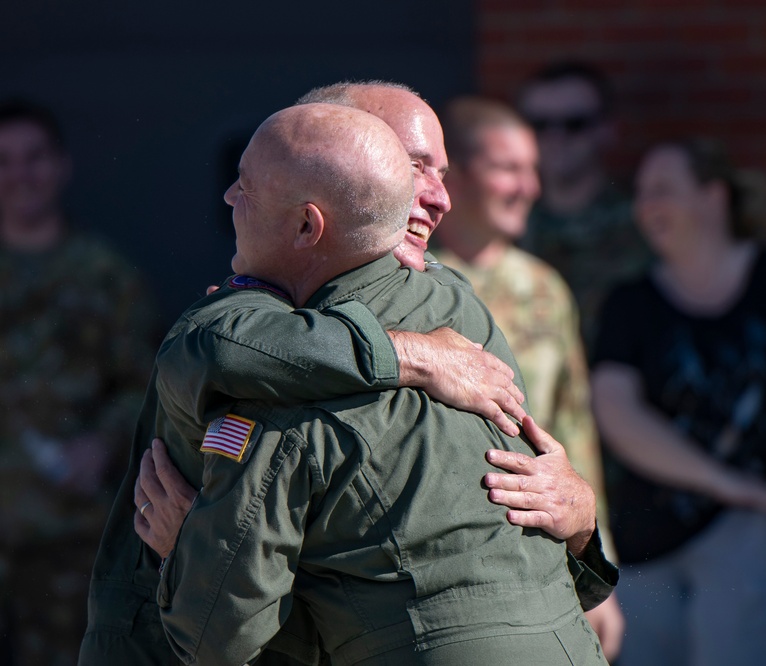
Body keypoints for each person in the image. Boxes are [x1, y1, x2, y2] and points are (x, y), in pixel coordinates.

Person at [82, 82, 614, 665]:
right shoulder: (273, 345)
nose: (439, 197)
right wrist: (410, 355)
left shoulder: (456, 313)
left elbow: (226, 626)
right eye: (414, 168)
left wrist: (582, 515)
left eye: (441, 170)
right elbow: (218, 348)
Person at [591, 138, 766, 666]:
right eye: (641, 193)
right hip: (647, 557)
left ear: (713, 196)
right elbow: (618, 414)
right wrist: (732, 485)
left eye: (663, 190)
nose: (646, 205)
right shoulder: (630, 302)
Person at [431, 95, 625, 659]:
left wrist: (595, 560)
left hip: (533, 544)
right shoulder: (411, 283)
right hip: (443, 547)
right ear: (458, 177)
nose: (530, 187)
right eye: (508, 168)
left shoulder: (544, 288)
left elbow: (573, 430)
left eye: (533, 169)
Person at [0, 100, 158, 666]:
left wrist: (101, 443)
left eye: (35, 158)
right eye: (5, 161)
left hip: (63, 529)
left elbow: (145, 380)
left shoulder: (104, 273)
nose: (21, 175)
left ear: (61, 165)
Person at [516, 62, 650, 350]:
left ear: (608, 129)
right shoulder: (504, 223)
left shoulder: (645, 221)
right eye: (540, 125)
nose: (556, 137)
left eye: (574, 124)